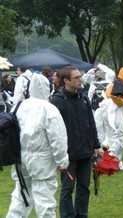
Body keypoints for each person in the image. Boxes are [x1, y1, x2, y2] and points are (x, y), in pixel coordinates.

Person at [6, 73, 69, 218]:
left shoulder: (18, 106)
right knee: (44, 199)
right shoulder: (48, 109)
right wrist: (62, 161)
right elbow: (58, 138)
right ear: (47, 88)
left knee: (20, 197)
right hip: (42, 160)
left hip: (21, 159)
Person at [50, 66, 101, 217]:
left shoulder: (84, 98)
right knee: (67, 188)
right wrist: (58, 155)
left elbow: (91, 123)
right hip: (68, 154)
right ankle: (67, 215)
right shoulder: (57, 101)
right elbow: (53, 130)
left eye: (80, 76)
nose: (80, 80)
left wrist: (96, 145)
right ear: (66, 80)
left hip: (86, 152)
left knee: (84, 187)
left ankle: (82, 214)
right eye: (77, 78)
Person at [95, 67, 123, 170]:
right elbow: (115, 96)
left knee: (112, 136)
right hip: (113, 113)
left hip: (110, 112)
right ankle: (112, 161)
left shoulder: (120, 83)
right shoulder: (120, 83)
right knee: (119, 136)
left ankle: (112, 161)